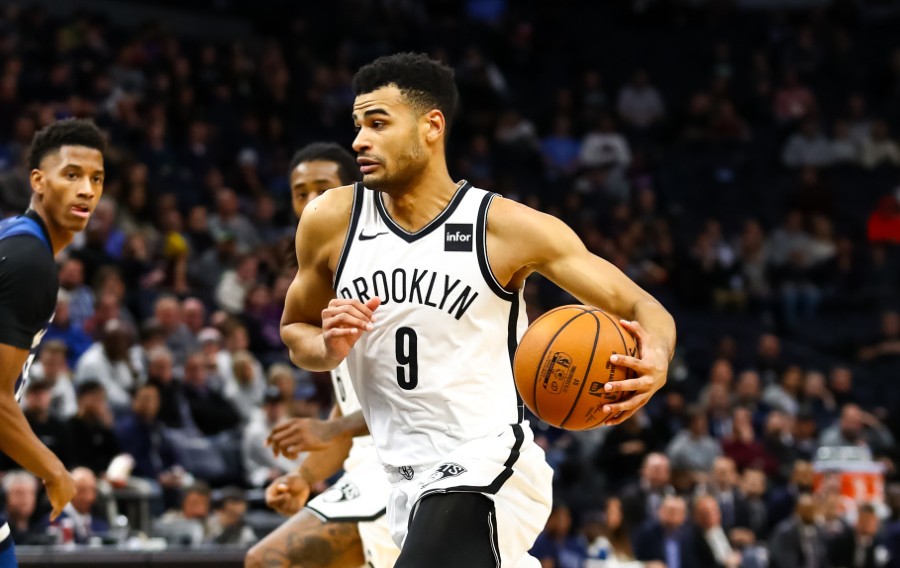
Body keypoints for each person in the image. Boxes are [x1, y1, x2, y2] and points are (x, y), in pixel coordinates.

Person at [278, 53, 676, 566]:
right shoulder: (330, 221)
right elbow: (295, 331)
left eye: (378, 123)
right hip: (400, 479)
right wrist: (326, 346)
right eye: (357, 125)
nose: (359, 141)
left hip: (487, 466)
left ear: (431, 127)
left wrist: (658, 359)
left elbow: (642, 306)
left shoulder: (504, 227)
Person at [245, 142, 400, 568]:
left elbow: (416, 396)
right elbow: (347, 409)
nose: (311, 201)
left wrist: (331, 432)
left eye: (323, 187)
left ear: (356, 192)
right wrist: (304, 476)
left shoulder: (390, 270)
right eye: (300, 192)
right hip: (367, 470)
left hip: (411, 466)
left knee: (272, 560)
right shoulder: (318, 280)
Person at [0, 118, 105, 564]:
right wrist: (54, 471)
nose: (86, 190)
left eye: (96, 179)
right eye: (72, 175)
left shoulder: (13, 237)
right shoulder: (31, 263)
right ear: (38, 182)